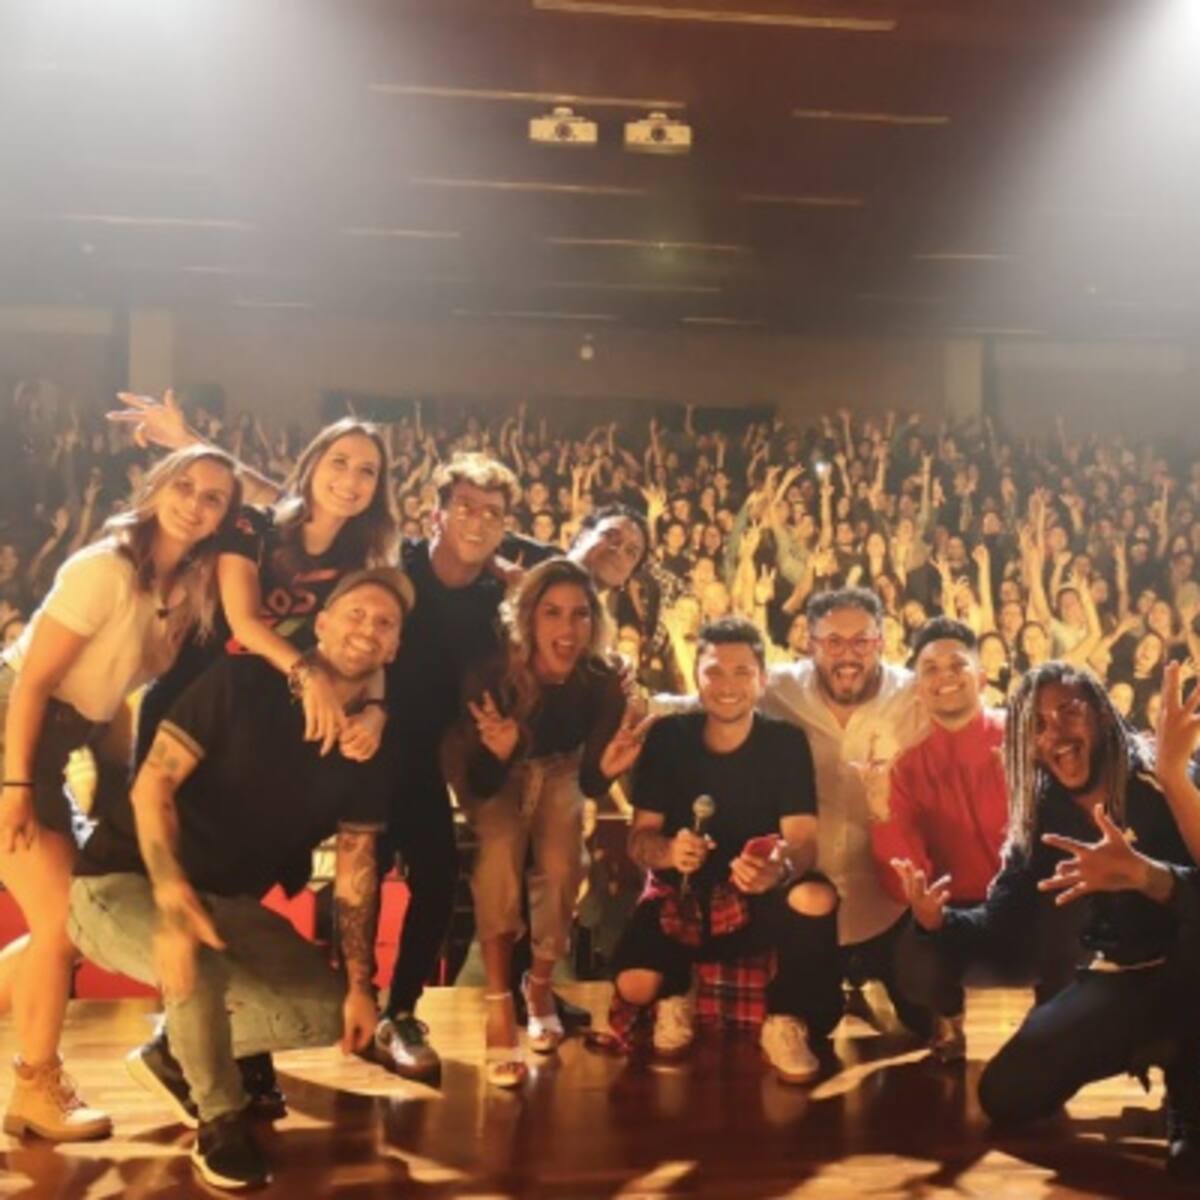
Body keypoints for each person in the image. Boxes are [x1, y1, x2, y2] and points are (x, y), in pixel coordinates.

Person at [67, 568, 412, 1190]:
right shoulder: (242, 681)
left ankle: (173, 1054)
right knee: (196, 963)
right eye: (355, 613)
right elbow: (153, 786)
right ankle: (219, 1120)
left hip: (225, 904)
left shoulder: (368, 747)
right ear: (321, 624)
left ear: (394, 648)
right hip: (119, 880)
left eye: (385, 623)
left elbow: (356, 873)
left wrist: (363, 985)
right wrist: (171, 895)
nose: (368, 628)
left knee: (334, 1013)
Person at [0, 445, 241, 1141]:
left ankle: (36, 1087)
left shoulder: (175, 593)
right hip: (14, 734)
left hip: (53, 746)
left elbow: (109, 705)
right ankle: (36, 1087)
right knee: (63, 923)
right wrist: (15, 784)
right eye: (184, 486)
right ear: (156, 488)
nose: (194, 503)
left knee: (74, 924)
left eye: (214, 498)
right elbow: (32, 685)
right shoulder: (103, 568)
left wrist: (131, 786)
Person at [895, 661, 1200, 1181]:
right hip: (1125, 977)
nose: (1053, 731)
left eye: (1068, 711)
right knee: (1005, 1095)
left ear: (1101, 714)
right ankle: (1164, 1044)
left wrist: (1149, 876)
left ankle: (1190, 1091)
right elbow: (1002, 922)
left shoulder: (1166, 777)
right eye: (1036, 724)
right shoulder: (1043, 816)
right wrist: (938, 921)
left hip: (1193, 971)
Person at [611, 616, 842, 1082]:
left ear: (762, 680)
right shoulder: (668, 739)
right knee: (635, 986)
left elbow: (803, 842)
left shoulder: (785, 742)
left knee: (815, 897)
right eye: (714, 672)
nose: (727, 685)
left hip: (756, 899)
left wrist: (778, 868)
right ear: (696, 678)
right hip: (683, 898)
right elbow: (640, 838)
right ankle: (675, 994)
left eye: (742, 672)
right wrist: (669, 852)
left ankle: (785, 1021)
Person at [452, 557, 651, 1087]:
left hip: (562, 767)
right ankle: (499, 1004)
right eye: (553, 613)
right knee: (498, 857)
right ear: (528, 617)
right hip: (497, 770)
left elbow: (588, 781)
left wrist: (609, 768)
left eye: (580, 614)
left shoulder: (602, 678)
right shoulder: (491, 672)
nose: (568, 628)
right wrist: (500, 752)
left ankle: (539, 986)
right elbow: (480, 783)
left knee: (564, 866)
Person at [873, 618, 1080, 1061]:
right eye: (930, 669)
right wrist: (879, 810)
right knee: (913, 963)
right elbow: (903, 877)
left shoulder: (1027, 740)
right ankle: (948, 1017)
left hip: (1032, 902)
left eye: (957, 665)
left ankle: (1050, 1029)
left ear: (982, 677)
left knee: (1073, 920)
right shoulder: (906, 766)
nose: (944, 677)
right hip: (957, 911)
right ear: (918, 689)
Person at [759, 587, 930, 1034]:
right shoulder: (777, 690)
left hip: (891, 904)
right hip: (810, 903)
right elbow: (706, 700)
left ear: (882, 642)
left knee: (927, 1018)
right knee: (811, 1027)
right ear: (810, 642)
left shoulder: (915, 695)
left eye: (861, 641)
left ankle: (885, 984)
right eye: (834, 641)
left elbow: (978, 718)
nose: (848, 654)